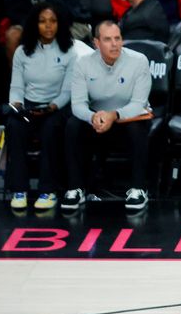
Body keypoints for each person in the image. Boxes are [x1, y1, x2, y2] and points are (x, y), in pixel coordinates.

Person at [62, 20, 153, 212]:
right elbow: (77, 104)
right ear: (96, 43)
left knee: (137, 128)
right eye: (108, 39)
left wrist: (114, 115)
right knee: (72, 125)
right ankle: (75, 188)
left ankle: (138, 189)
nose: (114, 44)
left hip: (128, 118)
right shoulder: (83, 64)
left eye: (118, 38)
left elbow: (139, 104)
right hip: (97, 121)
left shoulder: (139, 61)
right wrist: (92, 117)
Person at [6, 3, 89, 210]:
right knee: (14, 126)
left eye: (53, 21)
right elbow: (16, 87)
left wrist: (51, 107)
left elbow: (67, 92)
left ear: (60, 24)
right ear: (35, 25)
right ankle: (19, 189)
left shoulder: (70, 52)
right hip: (28, 107)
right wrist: (17, 105)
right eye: (42, 21)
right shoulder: (22, 52)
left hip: (56, 107)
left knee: (51, 128)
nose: (48, 26)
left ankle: (48, 190)